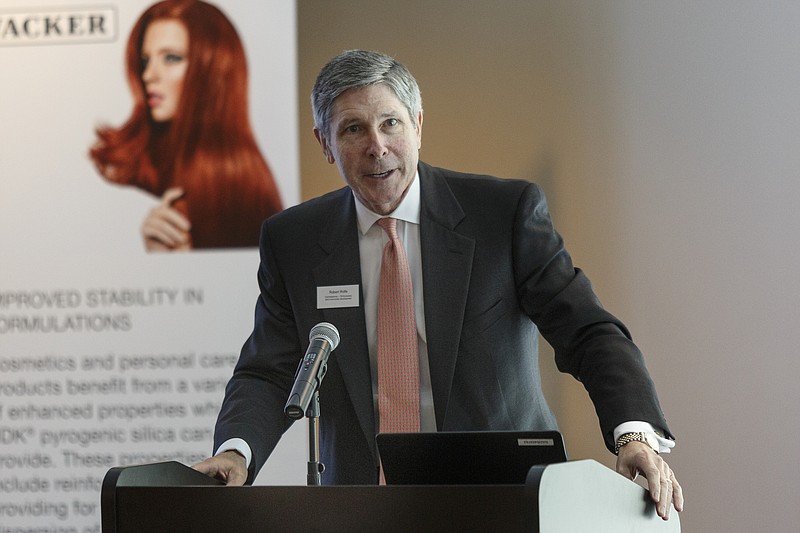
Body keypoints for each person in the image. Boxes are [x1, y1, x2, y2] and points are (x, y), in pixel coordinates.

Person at [193, 49, 684, 519]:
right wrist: (237, 452)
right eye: (353, 129)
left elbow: (589, 332)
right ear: (325, 144)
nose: (377, 145)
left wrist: (632, 435)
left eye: (391, 123)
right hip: (364, 506)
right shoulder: (294, 240)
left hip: (505, 496)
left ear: (418, 126)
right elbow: (269, 369)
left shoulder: (502, 215)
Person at [89, 0, 282, 251]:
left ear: (214, 69)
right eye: (146, 60)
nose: (149, 75)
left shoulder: (249, 190)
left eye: (171, 58)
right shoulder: (131, 172)